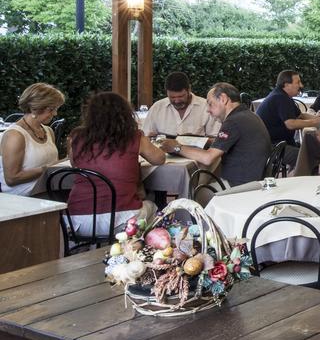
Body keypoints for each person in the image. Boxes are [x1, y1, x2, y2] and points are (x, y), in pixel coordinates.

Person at [68, 92, 165, 236]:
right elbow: (159, 159)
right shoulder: (135, 137)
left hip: (77, 220)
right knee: (154, 207)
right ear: (125, 114)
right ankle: (136, 252)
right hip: (123, 220)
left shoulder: (76, 137)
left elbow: (74, 163)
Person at [161, 83, 272, 189]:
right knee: (203, 178)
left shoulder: (233, 122)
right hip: (255, 179)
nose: (208, 110)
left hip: (240, 186)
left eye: (210, 104)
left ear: (223, 99)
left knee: (194, 190)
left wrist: (176, 147)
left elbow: (208, 158)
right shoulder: (247, 115)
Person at [1, 83, 64, 196]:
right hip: (24, 197)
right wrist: (48, 169)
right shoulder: (15, 135)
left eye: (56, 108)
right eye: (51, 109)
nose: (55, 113)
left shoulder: (48, 131)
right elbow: (11, 178)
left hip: (47, 190)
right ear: (35, 108)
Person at [255, 70, 320, 167]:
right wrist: (315, 122)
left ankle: (295, 175)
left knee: (308, 151)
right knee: (309, 157)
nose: (301, 85)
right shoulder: (280, 98)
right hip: (272, 147)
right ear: (286, 85)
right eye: (298, 82)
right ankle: (294, 179)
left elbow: (301, 115)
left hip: (279, 142)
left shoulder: (282, 96)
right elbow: (290, 124)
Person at [142, 72, 220, 137]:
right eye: (172, 97)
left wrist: (193, 140)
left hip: (197, 154)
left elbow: (215, 139)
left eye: (181, 96)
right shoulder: (157, 107)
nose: (176, 101)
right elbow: (145, 136)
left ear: (189, 89)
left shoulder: (206, 107)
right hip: (162, 154)